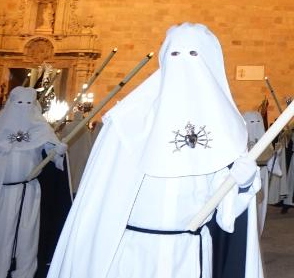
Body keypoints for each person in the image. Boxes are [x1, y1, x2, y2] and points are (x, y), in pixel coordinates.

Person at [47, 23, 262, 278]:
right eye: (175, 54)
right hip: (133, 251)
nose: (183, 64)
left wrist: (241, 184)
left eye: (193, 55)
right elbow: (103, 200)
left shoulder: (225, 131)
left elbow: (226, 216)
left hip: (188, 253)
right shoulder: (127, 121)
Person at [0, 86, 67, 278]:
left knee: (26, 234)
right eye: (19, 103)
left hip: (28, 191)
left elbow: (51, 154)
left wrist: (58, 152)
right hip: (1, 191)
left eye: (28, 104)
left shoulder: (41, 129)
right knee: (0, 232)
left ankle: (22, 272)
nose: (23, 108)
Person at [242, 110, 278, 235]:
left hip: (262, 173)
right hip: (247, 176)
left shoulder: (264, 139)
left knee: (261, 203)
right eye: (252, 122)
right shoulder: (241, 140)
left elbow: (271, 156)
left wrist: (275, 156)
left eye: (258, 122)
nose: (256, 125)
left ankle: (259, 230)